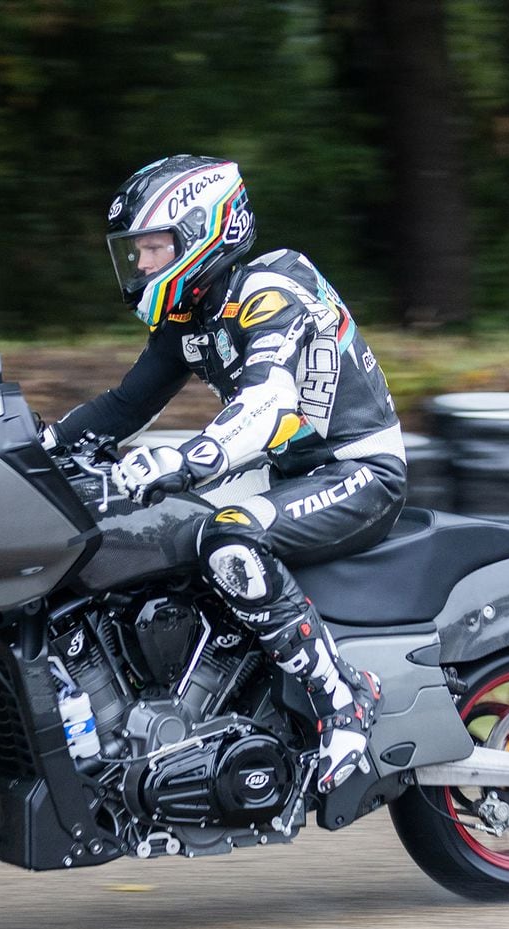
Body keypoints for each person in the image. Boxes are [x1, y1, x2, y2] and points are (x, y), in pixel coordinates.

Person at [43, 155, 407, 792]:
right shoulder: (190, 316)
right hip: (289, 479)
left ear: (203, 233)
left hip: (358, 472)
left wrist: (184, 460)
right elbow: (125, 405)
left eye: (154, 249)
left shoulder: (275, 287)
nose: (143, 266)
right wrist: (38, 448)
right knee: (154, 537)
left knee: (228, 535)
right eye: (137, 253)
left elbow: (268, 403)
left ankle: (342, 703)